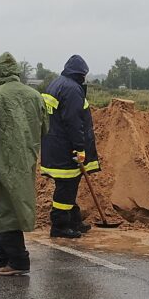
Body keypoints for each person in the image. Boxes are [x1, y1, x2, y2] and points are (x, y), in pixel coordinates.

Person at [0, 53, 48, 276]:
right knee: (11, 205)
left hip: (3, 159)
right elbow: (45, 129)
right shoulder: (35, 96)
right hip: (28, 159)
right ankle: (4, 259)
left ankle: (17, 260)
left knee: (6, 207)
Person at [39, 55, 100, 238]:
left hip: (54, 144)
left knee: (68, 186)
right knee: (66, 186)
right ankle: (59, 226)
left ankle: (74, 220)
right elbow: (74, 123)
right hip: (65, 148)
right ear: (80, 74)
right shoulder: (72, 90)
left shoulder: (55, 84)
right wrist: (79, 148)